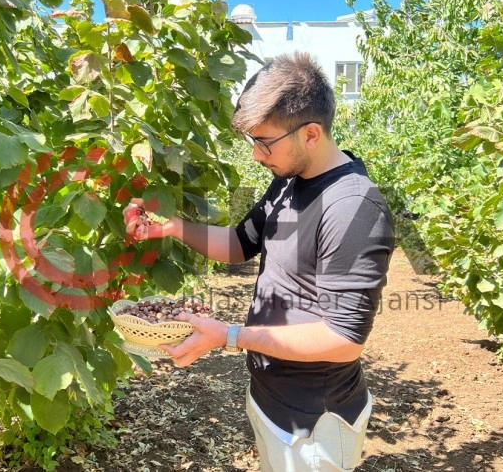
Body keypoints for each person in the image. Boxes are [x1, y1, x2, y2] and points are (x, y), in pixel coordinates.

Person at [123, 52, 395, 471]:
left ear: (310, 134)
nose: (255, 155)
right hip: (271, 398)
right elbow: (238, 244)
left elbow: (344, 340)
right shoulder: (289, 181)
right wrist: (173, 227)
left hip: (313, 423)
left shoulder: (353, 208)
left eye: (264, 142)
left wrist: (229, 335)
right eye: (252, 141)